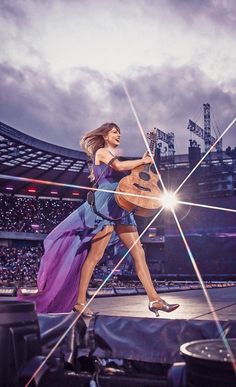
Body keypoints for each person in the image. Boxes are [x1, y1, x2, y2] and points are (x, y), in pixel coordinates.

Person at [18, 123, 179, 317]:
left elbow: (132, 174)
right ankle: (80, 302)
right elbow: (118, 166)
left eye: (120, 132)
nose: (118, 135)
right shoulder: (102, 152)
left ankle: (155, 300)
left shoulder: (115, 155)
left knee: (139, 252)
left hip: (122, 203)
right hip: (106, 203)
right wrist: (140, 160)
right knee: (95, 256)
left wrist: (147, 167)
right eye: (114, 132)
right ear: (105, 136)